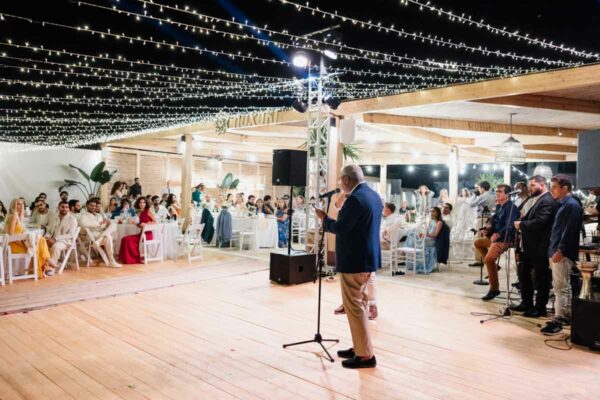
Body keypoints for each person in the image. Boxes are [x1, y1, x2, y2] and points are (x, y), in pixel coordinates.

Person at [315, 165, 380, 369]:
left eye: (340, 181)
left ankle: (365, 356)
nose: (340, 185)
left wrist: (324, 220)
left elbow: (341, 228)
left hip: (355, 261)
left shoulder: (355, 199)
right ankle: (360, 346)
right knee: (359, 305)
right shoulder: (372, 195)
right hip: (366, 258)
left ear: (346, 179)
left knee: (355, 307)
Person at [541, 175, 583, 335]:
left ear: (565, 188)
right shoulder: (565, 204)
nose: (552, 190)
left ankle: (558, 320)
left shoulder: (571, 205)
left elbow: (570, 231)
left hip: (562, 252)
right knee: (564, 286)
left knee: (560, 288)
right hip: (558, 251)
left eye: (555, 187)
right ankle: (566, 315)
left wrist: (560, 250)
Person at [511, 175, 558, 318]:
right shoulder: (538, 199)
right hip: (529, 246)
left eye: (532, 185)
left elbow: (540, 221)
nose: (530, 188)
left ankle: (540, 308)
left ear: (542, 185)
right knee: (523, 274)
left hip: (539, 246)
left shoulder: (548, 200)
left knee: (541, 278)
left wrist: (521, 225)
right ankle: (526, 303)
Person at [474, 184, 520, 301]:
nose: (497, 193)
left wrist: (498, 234)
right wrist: (488, 228)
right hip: (496, 238)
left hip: (506, 238)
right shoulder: (500, 207)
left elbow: (510, 226)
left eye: (500, 191)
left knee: (489, 259)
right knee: (478, 243)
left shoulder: (511, 207)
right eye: (496, 191)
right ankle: (495, 267)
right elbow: (494, 222)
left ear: (507, 195)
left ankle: (494, 289)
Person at [3, 198, 56, 277]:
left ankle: (46, 264)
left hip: (18, 242)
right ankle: (47, 263)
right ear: (13, 206)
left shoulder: (16, 215)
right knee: (40, 241)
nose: (21, 206)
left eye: (22, 204)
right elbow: (10, 234)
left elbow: (20, 229)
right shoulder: (13, 216)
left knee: (40, 241)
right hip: (13, 245)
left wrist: (21, 213)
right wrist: (24, 243)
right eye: (18, 204)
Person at [79, 199, 121, 268]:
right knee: (108, 237)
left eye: (95, 206)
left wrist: (104, 224)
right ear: (87, 206)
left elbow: (103, 225)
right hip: (92, 234)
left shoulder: (99, 215)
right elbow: (84, 224)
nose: (93, 207)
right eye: (91, 205)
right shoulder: (83, 215)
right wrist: (99, 224)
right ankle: (112, 261)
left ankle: (99, 241)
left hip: (101, 233)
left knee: (113, 224)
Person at [407, 207, 444, 274]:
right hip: (427, 238)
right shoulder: (430, 221)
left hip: (432, 240)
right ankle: (412, 257)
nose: (431, 213)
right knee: (411, 234)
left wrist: (425, 236)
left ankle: (411, 254)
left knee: (413, 238)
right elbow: (427, 232)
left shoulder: (439, 222)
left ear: (437, 213)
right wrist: (423, 235)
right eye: (431, 211)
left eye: (433, 211)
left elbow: (435, 235)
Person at [119, 197, 156, 264]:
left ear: (146, 203)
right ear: (138, 204)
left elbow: (155, 222)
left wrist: (147, 224)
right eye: (140, 202)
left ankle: (133, 258)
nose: (142, 204)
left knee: (127, 240)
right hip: (141, 234)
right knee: (124, 239)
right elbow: (140, 225)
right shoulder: (140, 212)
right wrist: (136, 223)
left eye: (144, 202)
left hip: (147, 235)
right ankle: (126, 259)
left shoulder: (148, 211)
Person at [469, 181, 497, 267]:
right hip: (490, 218)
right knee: (486, 239)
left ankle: (480, 260)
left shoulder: (483, 196)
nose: (478, 190)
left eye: (479, 188)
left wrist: (474, 195)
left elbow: (471, 204)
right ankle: (487, 259)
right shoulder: (493, 195)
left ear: (482, 188)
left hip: (482, 218)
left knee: (479, 239)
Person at [45, 201, 78, 269]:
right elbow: (49, 231)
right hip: (52, 239)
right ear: (58, 207)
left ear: (69, 209)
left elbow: (71, 234)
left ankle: (50, 268)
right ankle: (42, 266)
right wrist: (47, 238)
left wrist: (55, 239)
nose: (64, 209)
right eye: (62, 207)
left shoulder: (72, 219)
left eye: (66, 207)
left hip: (65, 241)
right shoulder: (54, 218)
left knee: (56, 247)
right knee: (41, 243)